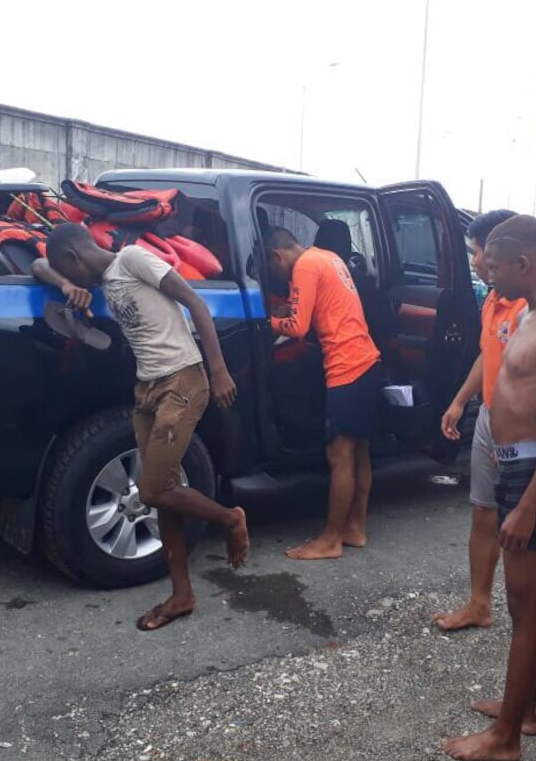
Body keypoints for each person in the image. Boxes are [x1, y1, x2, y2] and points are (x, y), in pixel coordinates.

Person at [33, 223, 250, 631]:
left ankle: (231, 519)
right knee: (163, 491)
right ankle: (182, 594)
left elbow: (195, 303)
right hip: (148, 390)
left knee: (154, 490)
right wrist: (65, 283)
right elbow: (39, 263)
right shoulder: (97, 277)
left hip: (182, 380)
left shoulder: (132, 260)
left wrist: (218, 371)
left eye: (70, 270)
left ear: (76, 257)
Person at [441, 215, 536, 761]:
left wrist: (527, 505)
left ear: (524, 264)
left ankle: (506, 738)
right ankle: (520, 711)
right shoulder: (531, 312)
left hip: (533, 473)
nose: (488, 276)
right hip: (513, 464)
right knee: (535, 600)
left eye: (495, 267)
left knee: (525, 607)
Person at [434, 209, 536, 658]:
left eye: (480, 255)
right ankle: (479, 603)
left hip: (524, 436)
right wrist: (459, 401)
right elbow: (485, 356)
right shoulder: (494, 298)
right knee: (483, 515)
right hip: (490, 419)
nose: (476, 264)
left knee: (534, 535)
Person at [267, 227, 383, 561]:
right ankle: (355, 529)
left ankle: (330, 540)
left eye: (273, 267)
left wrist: (267, 320)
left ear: (277, 256)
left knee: (339, 454)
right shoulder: (329, 257)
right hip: (367, 361)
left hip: (346, 366)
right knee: (359, 450)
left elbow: (297, 327)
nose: (277, 274)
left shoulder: (304, 265)